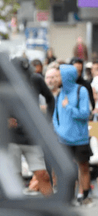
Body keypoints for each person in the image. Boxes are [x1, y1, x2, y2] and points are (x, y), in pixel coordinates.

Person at [8, 57, 55, 196]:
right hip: (11, 138)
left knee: (43, 175)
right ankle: (17, 214)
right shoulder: (5, 81)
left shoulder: (36, 79)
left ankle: (53, 209)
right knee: (14, 179)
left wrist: (47, 121)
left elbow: (50, 99)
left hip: (32, 136)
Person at [53, 64, 93, 205]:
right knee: (65, 168)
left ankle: (85, 196)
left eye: (58, 76)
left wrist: (69, 107)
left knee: (83, 167)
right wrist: (58, 129)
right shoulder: (60, 93)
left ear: (66, 77)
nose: (55, 79)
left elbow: (85, 114)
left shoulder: (81, 91)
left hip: (80, 138)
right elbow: (55, 116)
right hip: (63, 138)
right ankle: (68, 197)